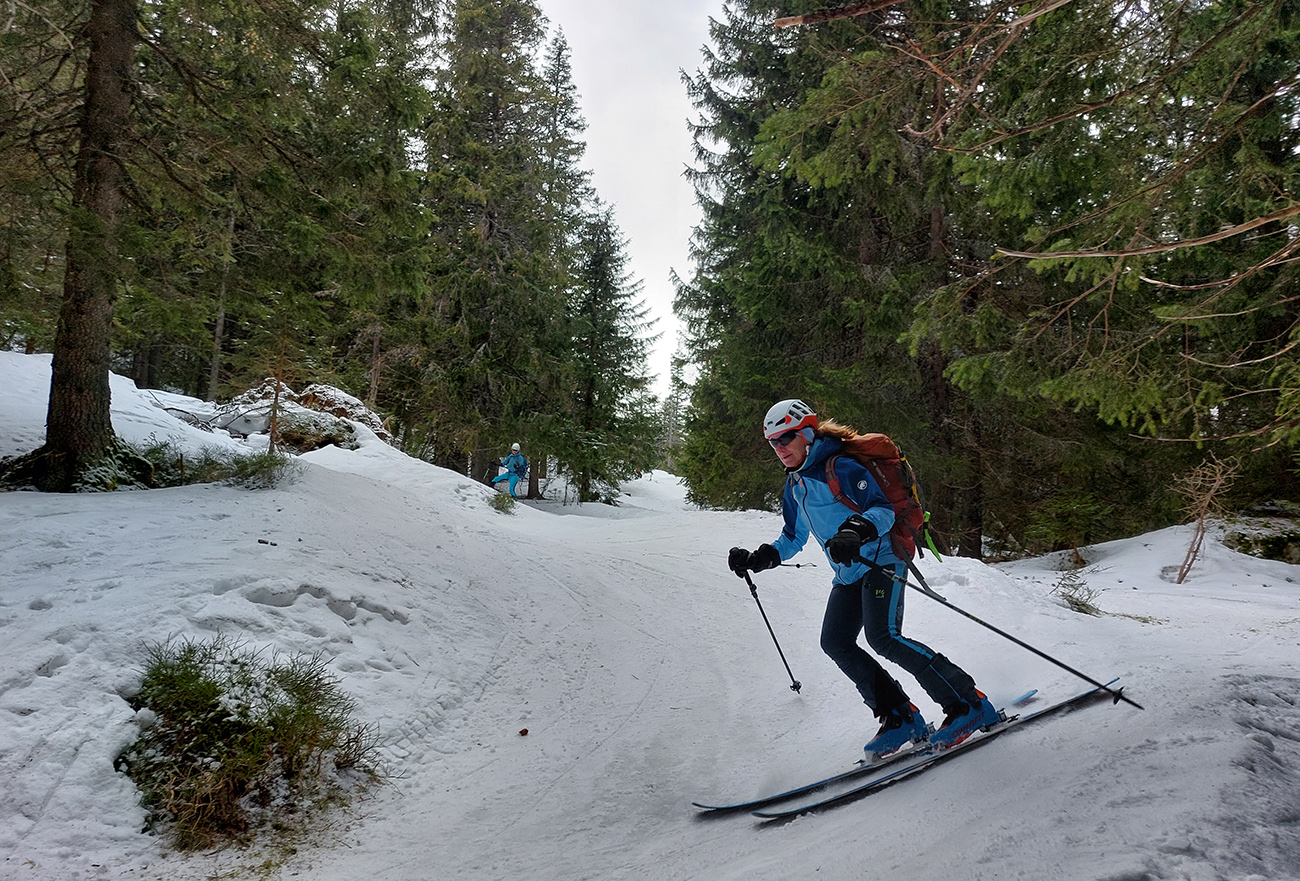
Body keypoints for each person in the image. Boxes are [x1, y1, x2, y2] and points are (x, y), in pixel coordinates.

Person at [728, 399, 999, 758]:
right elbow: (793, 537)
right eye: (773, 442)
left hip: (883, 560)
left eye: (787, 438)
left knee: (884, 638)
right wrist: (759, 558)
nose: (780, 448)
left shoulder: (841, 466)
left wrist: (856, 531)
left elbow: (881, 510)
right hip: (848, 573)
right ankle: (900, 716)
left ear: (807, 433)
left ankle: (968, 703)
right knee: (836, 642)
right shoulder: (795, 486)